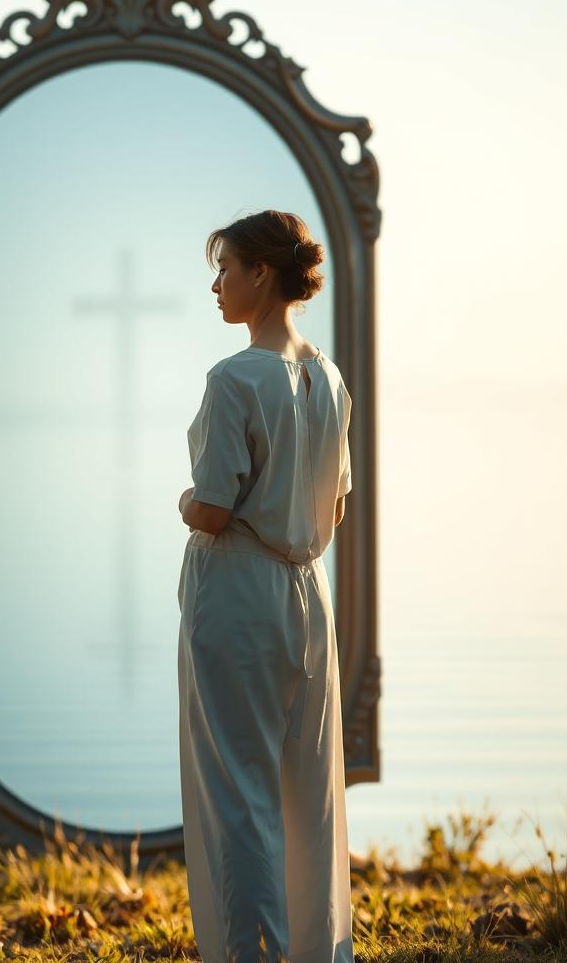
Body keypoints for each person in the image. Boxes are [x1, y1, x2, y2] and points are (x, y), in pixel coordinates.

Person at [176, 209, 355, 963]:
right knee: (308, 793)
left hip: (241, 595)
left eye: (226, 269)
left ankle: (249, 954)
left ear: (262, 275)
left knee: (237, 793)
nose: (216, 285)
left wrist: (184, 504)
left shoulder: (234, 379)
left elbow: (213, 508)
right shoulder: (329, 377)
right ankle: (316, 950)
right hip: (308, 592)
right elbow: (335, 506)